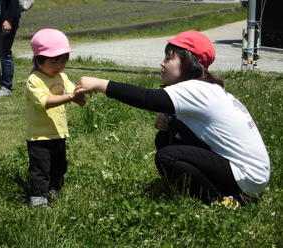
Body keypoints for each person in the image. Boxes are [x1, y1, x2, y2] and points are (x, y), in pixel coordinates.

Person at [74, 30, 270, 204]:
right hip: (252, 177)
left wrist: (99, 84)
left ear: (188, 61)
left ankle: (221, 202)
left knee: (167, 156)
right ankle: (221, 192)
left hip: (246, 178)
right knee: (164, 139)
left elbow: (146, 98)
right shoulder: (208, 89)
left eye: (169, 58)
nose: (162, 62)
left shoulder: (197, 89)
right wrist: (170, 121)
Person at [25, 29, 86, 207]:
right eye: (54, 60)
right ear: (38, 59)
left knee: (59, 166)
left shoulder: (62, 77)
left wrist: (81, 94)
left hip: (59, 133)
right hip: (39, 136)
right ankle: (38, 200)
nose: (59, 64)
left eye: (64, 59)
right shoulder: (34, 80)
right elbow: (45, 101)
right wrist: (70, 97)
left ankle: (55, 192)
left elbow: (76, 98)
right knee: (40, 170)